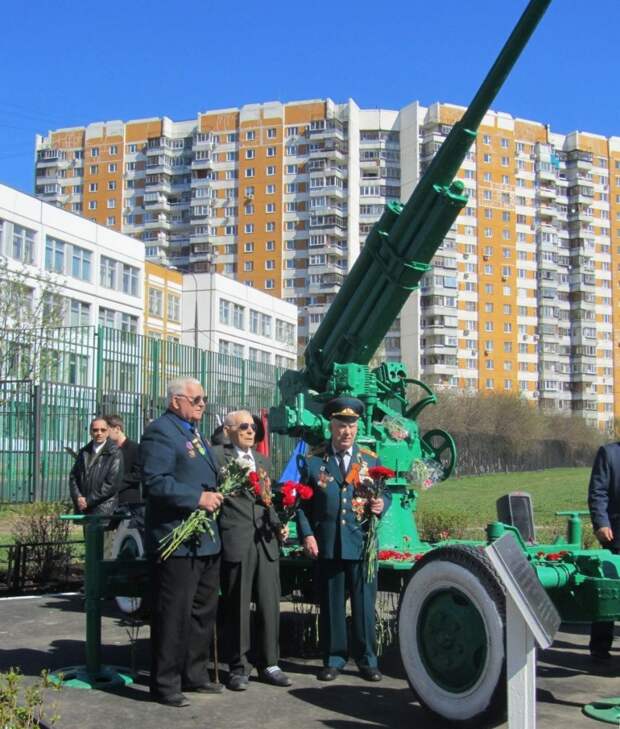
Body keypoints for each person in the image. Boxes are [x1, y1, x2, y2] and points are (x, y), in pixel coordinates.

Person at [140, 377, 224, 707]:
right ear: (176, 401)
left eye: (204, 398)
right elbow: (155, 482)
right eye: (197, 398)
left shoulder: (193, 432)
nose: (203, 403)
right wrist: (196, 498)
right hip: (176, 537)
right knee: (173, 613)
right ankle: (165, 683)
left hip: (204, 539)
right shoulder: (160, 431)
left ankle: (194, 673)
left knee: (202, 611)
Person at [297, 397, 391, 682]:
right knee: (331, 605)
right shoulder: (314, 461)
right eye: (341, 426)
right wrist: (308, 535)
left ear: (357, 428)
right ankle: (334, 659)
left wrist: (381, 505)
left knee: (364, 606)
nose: (347, 432)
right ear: (331, 427)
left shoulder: (370, 460)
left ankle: (367, 660)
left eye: (351, 426)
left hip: (361, 543)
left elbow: (385, 493)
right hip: (328, 544)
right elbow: (301, 504)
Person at [213, 410, 291, 690]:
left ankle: (270, 663)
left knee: (270, 604)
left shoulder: (262, 461)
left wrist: (279, 524)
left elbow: (267, 501)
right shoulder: (218, 457)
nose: (250, 431)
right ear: (228, 430)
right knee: (238, 606)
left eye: (253, 427)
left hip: (266, 541)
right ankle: (239, 666)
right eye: (244, 426)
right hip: (237, 540)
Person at [69, 417, 123, 558]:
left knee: (104, 553)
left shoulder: (114, 453)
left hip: (104, 511)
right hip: (87, 510)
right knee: (91, 552)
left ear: (107, 432)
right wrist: (78, 497)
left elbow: (112, 484)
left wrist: (89, 500)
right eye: (95, 430)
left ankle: (104, 580)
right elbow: (73, 477)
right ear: (90, 432)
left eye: (102, 430)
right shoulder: (84, 452)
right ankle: (91, 580)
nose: (99, 433)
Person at [588, 441, 620, 662]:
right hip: (616, 534)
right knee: (609, 591)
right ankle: (600, 648)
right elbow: (598, 491)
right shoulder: (609, 453)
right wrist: (601, 523)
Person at [104, 414, 142, 505]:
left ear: (117, 429)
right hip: (108, 500)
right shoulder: (106, 449)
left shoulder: (135, 448)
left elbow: (139, 474)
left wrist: (116, 483)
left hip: (127, 500)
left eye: (106, 430)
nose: (103, 434)